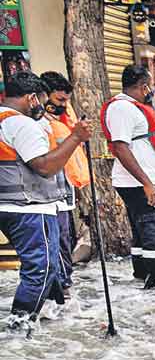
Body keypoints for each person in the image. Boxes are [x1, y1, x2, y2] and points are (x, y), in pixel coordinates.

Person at [0, 71, 91, 328]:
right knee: (41, 269)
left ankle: (50, 311)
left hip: (9, 205)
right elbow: (43, 166)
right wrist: (75, 138)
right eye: (41, 100)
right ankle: (20, 326)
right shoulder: (22, 124)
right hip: (30, 207)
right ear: (32, 99)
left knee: (43, 267)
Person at [100, 64, 155, 288]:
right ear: (143, 85)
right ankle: (154, 280)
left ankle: (143, 275)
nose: (151, 90)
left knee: (143, 228)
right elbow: (120, 147)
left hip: (141, 180)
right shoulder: (122, 108)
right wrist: (147, 183)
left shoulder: (133, 107)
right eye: (149, 86)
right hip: (137, 182)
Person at [40, 71, 90, 299]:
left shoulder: (65, 121)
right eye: (60, 100)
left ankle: (63, 285)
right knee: (57, 242)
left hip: (65, 192)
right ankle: (61, 288)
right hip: (48, 195)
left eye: (67, 100)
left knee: (65, 239)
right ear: (44, 96)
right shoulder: (39, 124)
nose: (64, 105)